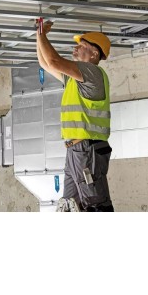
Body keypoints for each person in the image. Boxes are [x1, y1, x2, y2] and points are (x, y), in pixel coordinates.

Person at [36, 19, 114, 212]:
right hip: (77, 150)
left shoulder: (92, 72)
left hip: (86, 149)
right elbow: (45, 63)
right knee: (70, 205)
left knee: (95, 205)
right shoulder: (74, 79)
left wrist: (42, 34)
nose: (75, 48)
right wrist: (39, 35)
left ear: (94, 54)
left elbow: (54, 61)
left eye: (82, 45)